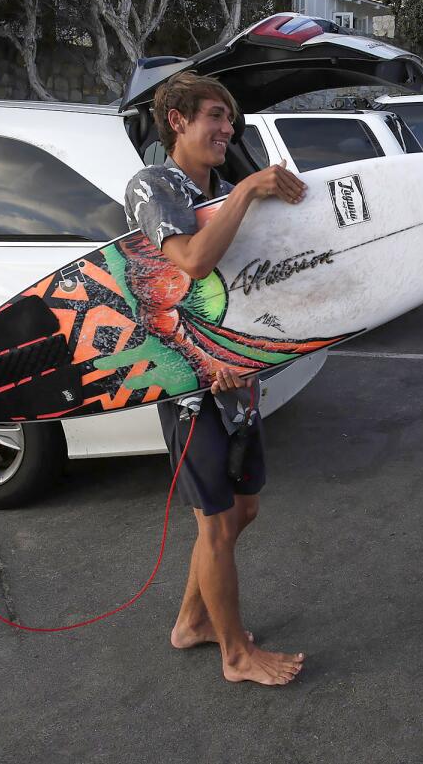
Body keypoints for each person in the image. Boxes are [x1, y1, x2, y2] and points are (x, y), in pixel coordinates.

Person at [124, 71, 308, 685]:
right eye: (214, 117)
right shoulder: (154, 186)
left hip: (239, 379)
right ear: (176, 120)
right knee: (216, 522)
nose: (227, 130)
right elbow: (191, 260)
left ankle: (191, 622)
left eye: (230, 120)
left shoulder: (225, 189)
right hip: (187, 386)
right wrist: (250, 190)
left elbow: (248, 284)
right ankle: (234, 656)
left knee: (242, 511)